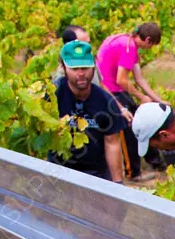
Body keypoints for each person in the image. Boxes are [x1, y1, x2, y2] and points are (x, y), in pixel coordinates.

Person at [96, 22, 166, 178]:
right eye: (152, 45)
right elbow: (121, 80)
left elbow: (139, 79)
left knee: (142, 123)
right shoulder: (129, 48)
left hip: (112, 88)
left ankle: (157, 163)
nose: (151, 48)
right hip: (109, 91)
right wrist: (141, 97)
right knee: (130, 128)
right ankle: (133, 173)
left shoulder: (125, 40)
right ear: (148, 40)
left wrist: (157, 100)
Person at [50, 40, 126, 183]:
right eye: (75, 68)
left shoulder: (106, 102)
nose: (81, 73)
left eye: (85, 67)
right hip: (57, 174)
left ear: (93, 68)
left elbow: (112, 143)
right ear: (63, 68)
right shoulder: (52, 97)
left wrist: (118, 184)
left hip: (96, 175)